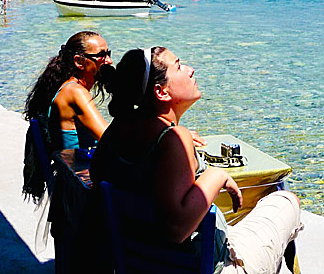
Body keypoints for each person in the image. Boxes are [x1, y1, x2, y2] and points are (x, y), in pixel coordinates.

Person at [90, 47, 302, 274]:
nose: (191, 71)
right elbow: (177, 228)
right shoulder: (171, 140)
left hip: (142, 261)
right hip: (208, 265)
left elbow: (101, 173)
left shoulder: (118, 130)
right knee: (285, 200)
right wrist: (216, 174)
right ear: (161, 92)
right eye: (179, 66)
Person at [24, 31, 114, 153]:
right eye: (102, 55)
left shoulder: (68, 87)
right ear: (79, 62)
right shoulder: (75, 92)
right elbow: (111, 140)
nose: (109, 61)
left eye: (108, 53)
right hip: (75, 169)